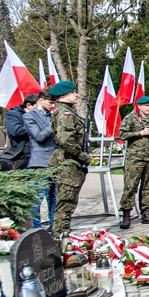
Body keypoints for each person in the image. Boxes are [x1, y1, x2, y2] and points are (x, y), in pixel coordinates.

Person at [48, 82, 90, 237]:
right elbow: (66, 140)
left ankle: (62, 234)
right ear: (64, 95)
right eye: (73, 92)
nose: (76, 95)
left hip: (70, 162)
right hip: (68, 162)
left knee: (67, 203)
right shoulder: (64, 114)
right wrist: (82, 156)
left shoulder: (66, 112)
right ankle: (61, 237)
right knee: (65, 203)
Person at [119, 96, 149, 228]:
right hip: (135, 159)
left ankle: (147, 213)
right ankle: (126, 216)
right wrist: (141, 133)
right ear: (139, 106)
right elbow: (122, 135)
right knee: (130, 187)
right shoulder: (130, 118)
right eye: (146, 106)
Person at [24, 92, 57, 231]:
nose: (52, 106)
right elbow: (38, 136)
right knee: (38, 198)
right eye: (50, 103)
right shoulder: (29, 116)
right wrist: (53, 125)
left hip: (55, 161)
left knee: (54, 197)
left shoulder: (52, 115)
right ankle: (36, 229)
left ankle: (54, 226)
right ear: (41, 100)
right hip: (40, 161)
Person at [6, 93, 38, 158]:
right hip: (22, 152)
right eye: (38, 107)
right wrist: (34, 127)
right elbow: (16, 131)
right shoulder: (13, 115)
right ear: (29, 105)